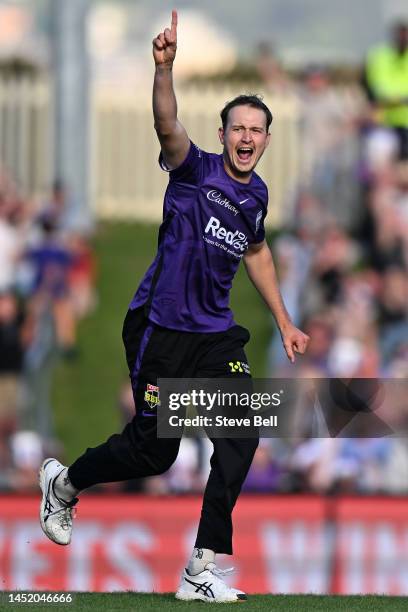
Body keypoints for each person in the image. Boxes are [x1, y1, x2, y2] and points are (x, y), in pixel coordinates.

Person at [39, 11, 309, 603]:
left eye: (256, 130)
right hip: (160, 329)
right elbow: (166, 124)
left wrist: (285, 320)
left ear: (266, 139)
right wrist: (163, 69)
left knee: (241, 433)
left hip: (215, 335)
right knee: (154, 452)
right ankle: (64, 483)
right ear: (222, 136)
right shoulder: (193, 170)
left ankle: (199, 568)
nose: (245, 137)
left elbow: (258, 252)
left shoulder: (256, 196)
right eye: (236, 127)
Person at [362, 21, 408, 160]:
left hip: (404, 122)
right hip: (383, 122)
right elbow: (369, 87)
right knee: (381, 165)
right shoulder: (379, 56)